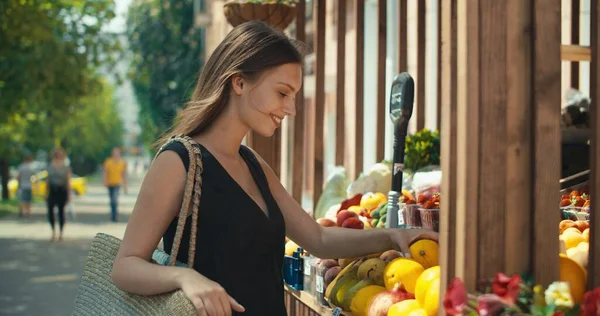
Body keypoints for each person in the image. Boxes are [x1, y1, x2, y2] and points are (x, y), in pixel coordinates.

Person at [111, 21, 438, 316]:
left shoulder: (254, 165)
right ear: (239, 82)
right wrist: (185, 277)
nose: (291, 109)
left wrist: (395, 236)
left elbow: (319, 239)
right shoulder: (178, 161)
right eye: (282, 93)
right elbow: (125, 267)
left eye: (293, 96)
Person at [46, 148, 72, 242]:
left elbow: (68, 181)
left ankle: (61, 233)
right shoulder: (50, 166)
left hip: (62, 191)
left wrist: (69, 194)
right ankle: (53, 231)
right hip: (52, 191)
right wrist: (46, 192)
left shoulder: (66, 167)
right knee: (50, 212)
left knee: (61, 212)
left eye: (60, 155)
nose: (59, 156)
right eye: (57, 154)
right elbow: (47, 180)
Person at [103, 147, 128, 222]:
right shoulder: (108, 162)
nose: (116, 154)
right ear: (112, 153)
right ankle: (113, 214)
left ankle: (115, 215)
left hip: (117, 184)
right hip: (110, 183)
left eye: (117, 152)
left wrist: (125, 186)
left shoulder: (122, 163)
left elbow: (124, 174)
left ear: (119, 153)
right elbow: (105, 172)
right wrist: (105, 181)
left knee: (114, 199)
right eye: (114, 152)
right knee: (111, 200)